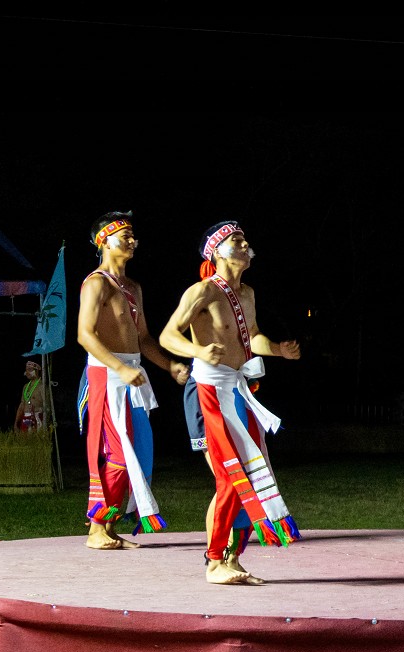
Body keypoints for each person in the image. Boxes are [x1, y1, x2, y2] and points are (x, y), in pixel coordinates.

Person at [159, 220, 301, 585]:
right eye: (237, 240)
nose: (245, 244)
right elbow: (167, 335)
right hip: (208, 391)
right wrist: (198, 350)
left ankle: (233, 558)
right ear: (218, 251)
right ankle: (213, 561)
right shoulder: (203, 292)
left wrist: (278, 351)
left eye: (244, 239)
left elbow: (252, 338)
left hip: (238, 392)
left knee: (252, 477)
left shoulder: (248, 294)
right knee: (229, 478)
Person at [77, 211, 191, 550]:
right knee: (117, 453)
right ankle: (96, 528)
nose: (131, 240)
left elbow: (142, 338)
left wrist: (169, 366)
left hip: (133, 375)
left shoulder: (134, 288)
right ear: (104, 240)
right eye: (124, 235)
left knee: (138, 453)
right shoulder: (95, 283)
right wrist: (120, 368)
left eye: (132, 235)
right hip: (106, 375)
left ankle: (108, 528)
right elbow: (85, 334)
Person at [14, 360, 46, 432]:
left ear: (36, 371)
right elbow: (22, 404)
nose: (27, 372)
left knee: (36, 440)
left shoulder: (42, 386)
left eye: (30, 370)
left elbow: (47, 407)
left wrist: (45, 423)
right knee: (25, 440)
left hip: (38, 419)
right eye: (26, 370)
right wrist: (16, 422)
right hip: (26, 418)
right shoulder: (25, 387)